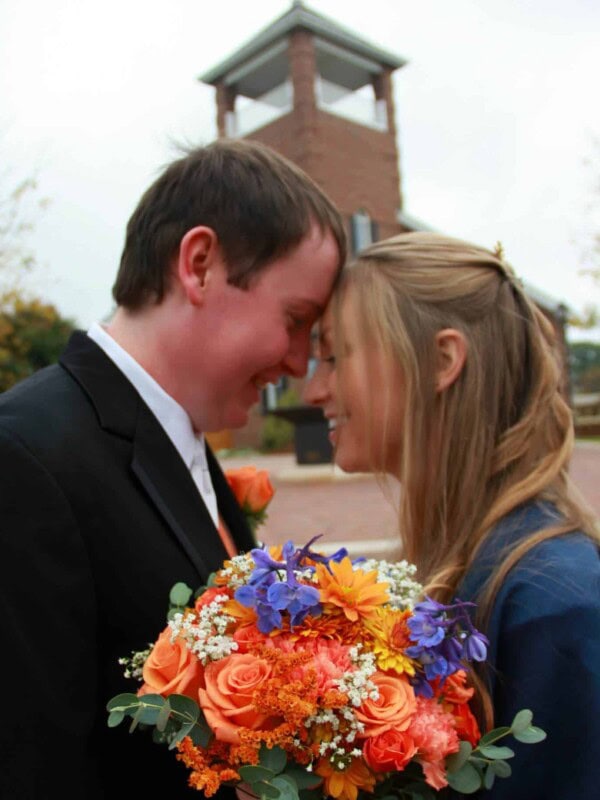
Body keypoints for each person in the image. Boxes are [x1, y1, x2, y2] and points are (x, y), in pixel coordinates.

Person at [0, 138, 346, 798]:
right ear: (200, 265)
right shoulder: (26, 460)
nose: (301, 363)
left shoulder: (182, 440)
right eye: (296, 319)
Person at [304, 231, 600, 799]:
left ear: (441, 361)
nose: (316, 389)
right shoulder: (468, 560)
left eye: (337, 356)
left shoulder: (552, 601)